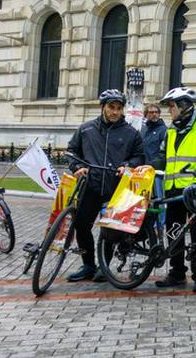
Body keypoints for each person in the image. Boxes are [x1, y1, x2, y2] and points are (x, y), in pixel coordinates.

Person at [147, 86, 196, 292]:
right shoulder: (171, 130)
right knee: (174, 233)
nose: (169, 111)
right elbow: (162, 157)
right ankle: (176, 274)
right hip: (173, 190)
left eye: (171, 106)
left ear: (183, 106)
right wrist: (149, 166)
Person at [65, 89, 145, 282]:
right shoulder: (86, 129)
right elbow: (71, 151)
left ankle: (104, 266)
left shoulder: (131, 133)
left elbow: (140, 156)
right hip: (90, 187)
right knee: (81, 225)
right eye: (111, 107)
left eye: (118, 108)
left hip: (115, 188)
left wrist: (128, 165)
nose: (115, 112)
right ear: (103, 107)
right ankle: (88, 265)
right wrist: (77, 167)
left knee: (109, 229)